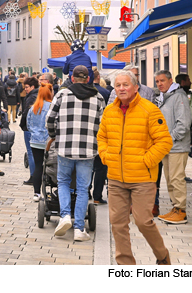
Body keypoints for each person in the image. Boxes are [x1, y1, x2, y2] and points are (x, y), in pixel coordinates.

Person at [97, 70, 172, 265]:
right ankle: (125, 265)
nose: (121, 88)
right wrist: (106, 156)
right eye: (118, 85)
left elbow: (164, 141)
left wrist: (146, 161)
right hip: (115, 178)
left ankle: (162, 256)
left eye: (125, 85)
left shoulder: (150, 110)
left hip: (142, 179)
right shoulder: (109, 111)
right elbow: (101, 137)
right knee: (117, 223)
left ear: (135, 87)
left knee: (143, 221)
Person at [47, 65, 105, 241]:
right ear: (88, 79)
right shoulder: (98, 97)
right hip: (88, 150)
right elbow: (104, 125)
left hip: (65, 147)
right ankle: (79, 228)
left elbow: (50, 118)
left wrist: (53, 135)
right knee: (82, 188)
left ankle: (65, 216)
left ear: (72, 78)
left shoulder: (62, 95)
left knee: (63, 182)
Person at [154, 70, 192, 225]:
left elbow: (184, 124)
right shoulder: (164, 97)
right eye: (157, 81)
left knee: (177, 178)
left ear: (170, 81)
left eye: (162, 80)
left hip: (177, 146)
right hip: (167, 146)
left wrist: (169, 138)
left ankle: (181, 211)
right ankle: (175, 208)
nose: (159, 84)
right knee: (170, 179)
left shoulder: (179, 96)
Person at [27, 83, 53, 201]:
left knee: (38, 166)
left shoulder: (33, 108)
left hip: (35, 141)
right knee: (51, 165)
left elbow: (28, 124)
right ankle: (51, 189)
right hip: (49, 142)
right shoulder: (52, 107)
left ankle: (36, 193)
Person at [91, 69, 110, 205]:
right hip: (101, 135)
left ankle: (85, 191)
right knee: (101, 167)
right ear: (98, 77)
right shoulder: (105, 93)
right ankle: (97, 196)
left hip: (86, 136)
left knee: (86, 166)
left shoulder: (83, 93)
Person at [20, 76, 40, 184]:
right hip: (37, 128)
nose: (25, 89)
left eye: (27, 87)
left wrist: (22, 124)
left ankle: (33, 176)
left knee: (31, 152)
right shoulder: (39, 94)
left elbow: (26, 113)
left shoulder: (32, 97)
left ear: (33, 86)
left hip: (29, 128)